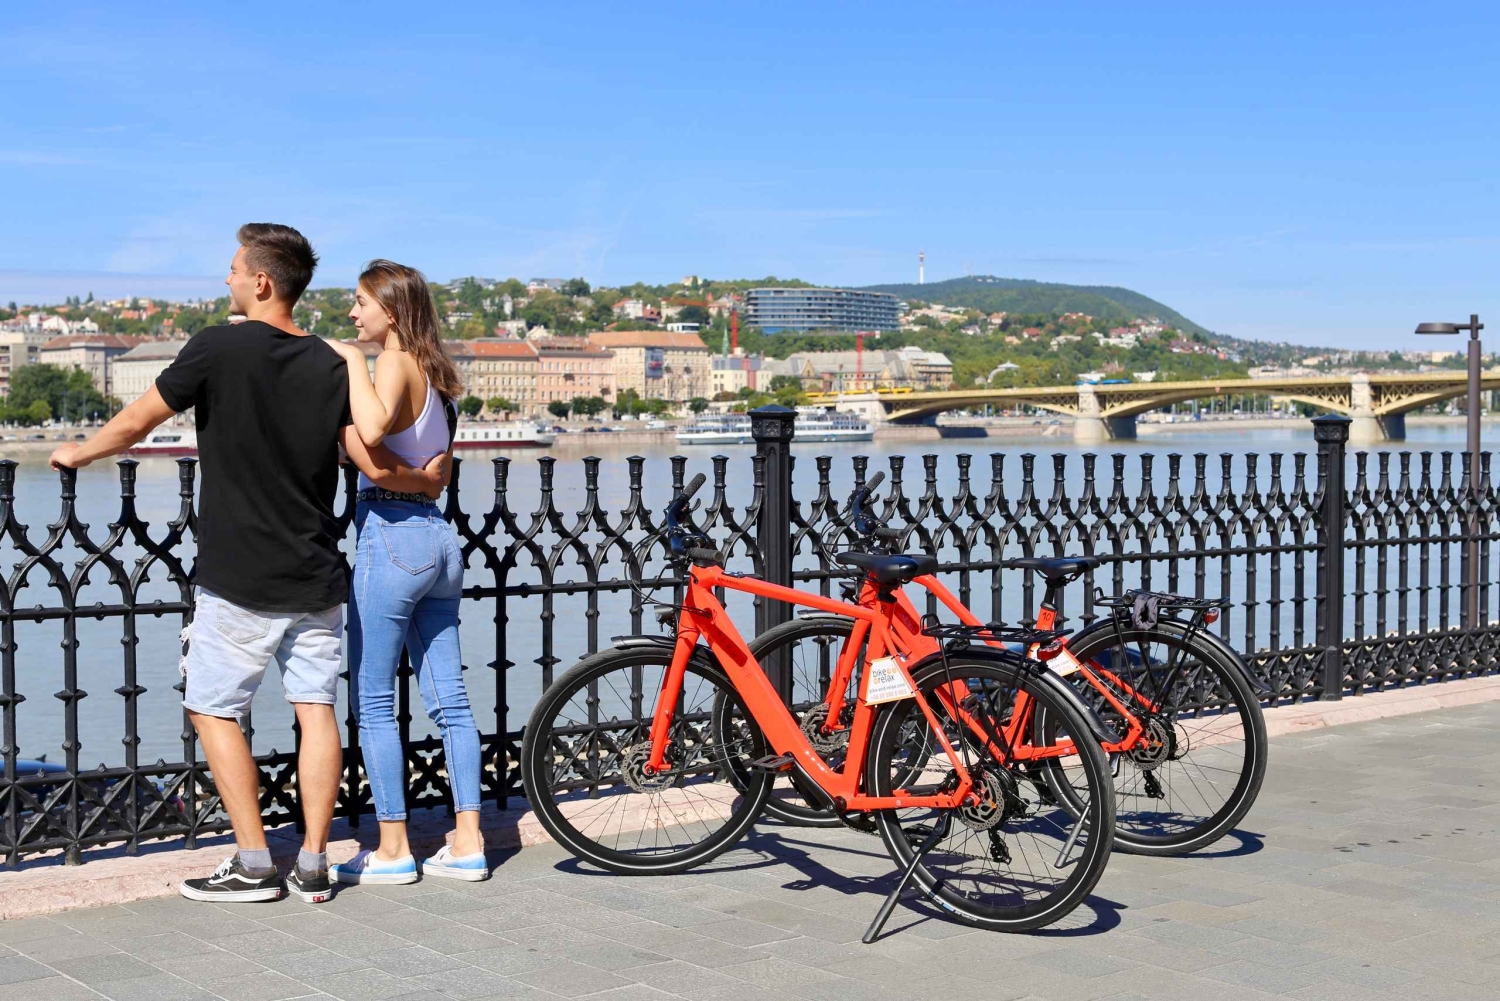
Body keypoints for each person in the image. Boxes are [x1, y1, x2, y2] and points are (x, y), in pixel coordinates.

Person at [49, 225, 449, 904]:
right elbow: (366, 451)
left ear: (262, 281)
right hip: (317, 570)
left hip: (238, 574)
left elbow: (139, 422)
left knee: (212, 706)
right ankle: (316, 861)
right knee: (316, 711)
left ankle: (255, 859)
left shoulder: (215, 345)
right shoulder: (331, 364)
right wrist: (425, 480)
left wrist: (77, 453)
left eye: (234, 270)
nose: (227, 280)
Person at [324, 260, 488, 885]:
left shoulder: (390, 361)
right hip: (438, 537)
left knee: (373, 698)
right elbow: (410, 458)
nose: (353, 313)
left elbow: (367, 432)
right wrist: (415, 475)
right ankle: (468, 839)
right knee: (450, 698)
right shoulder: (437, 375)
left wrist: (348, 364)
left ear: (389, 309)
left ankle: (393, 849)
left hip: (391, 536)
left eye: (360, 302)